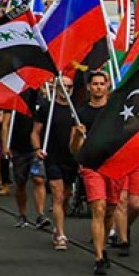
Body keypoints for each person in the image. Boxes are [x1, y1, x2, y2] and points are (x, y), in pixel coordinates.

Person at [68, 71, 117, 275]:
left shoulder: (114, 111)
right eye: (94, 84)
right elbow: (73, 149)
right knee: (98, 207)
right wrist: (78, 136)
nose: (98, 87)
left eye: (101, 84)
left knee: (111, 209)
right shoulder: (81, 113)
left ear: (107, 87)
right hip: (91, 166)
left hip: (113, 166)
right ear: (88, 88)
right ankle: (98, 257)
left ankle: (103, 245)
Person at [31, 78, 79, 250]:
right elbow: (35, 132)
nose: (66, 90)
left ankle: (58, 226)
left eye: (69, 87)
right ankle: (60, 234)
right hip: (52, 157)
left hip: (70, 158)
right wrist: (37, 148)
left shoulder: (75, 110)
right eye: (62, 87)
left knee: (66, 195)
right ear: (56, 88)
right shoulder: (47, 108)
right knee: (57, 195)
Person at [0, 92, 39, 227]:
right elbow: (5, 124)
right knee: (21, 183)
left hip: (36, 148)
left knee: (38, 179)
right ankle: (22, 213)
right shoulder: (13, 99)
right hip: (18, 148)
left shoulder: (42, 100)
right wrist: (5, 145)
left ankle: (40, 214)